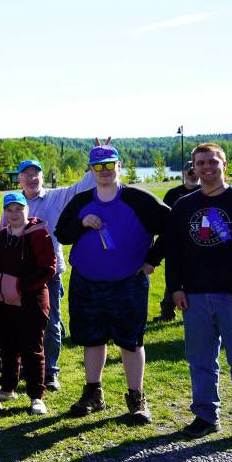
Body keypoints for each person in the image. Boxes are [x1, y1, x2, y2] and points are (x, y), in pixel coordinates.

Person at [167, 143, 232, 443]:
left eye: (213, 161)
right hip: (195, 297)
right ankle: (205, 416)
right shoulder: (184, 206)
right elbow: (174, 251)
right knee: (200, 360)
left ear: (224, 164)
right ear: (193, 167)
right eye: (200, 163)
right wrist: (174, 288)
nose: (206, 167)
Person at [55, 145, 169, 423]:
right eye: (98, 167)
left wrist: (153, 259)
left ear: (119, 165)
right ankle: (93, 393)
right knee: (92, 339)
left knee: (130, 341)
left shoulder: (139, 199)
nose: (104, 172)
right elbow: (62, 233)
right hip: (87, 282)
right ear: (91, 170)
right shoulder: (81, 202)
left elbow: (173, 226)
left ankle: (136, 397)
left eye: (109, 165)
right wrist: (81, 223)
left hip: (128, 282)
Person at [5, 150, 98, 391]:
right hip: (20, 276)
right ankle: (28, 367)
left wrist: (96, 161)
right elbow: (4, 234)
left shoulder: (57, 197)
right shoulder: (14, 202)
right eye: (26, 175)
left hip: (50, 273)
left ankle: (50, 372)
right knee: (24, 323)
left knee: (51, 323)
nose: (31, 178)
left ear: (42, 177)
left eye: (35, 174)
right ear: (19, 179)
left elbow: (81, 187)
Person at [0, 192, 57, 415]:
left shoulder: (38, 234)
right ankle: (8, 387)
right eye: (9, 210)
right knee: (8, 347)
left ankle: (36, 396)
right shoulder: (1, 236)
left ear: (27, 210)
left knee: (32, 349)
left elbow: (48, 268)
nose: (14, 214)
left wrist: (21, 287)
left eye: (19, 209)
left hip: (30, 302)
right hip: (4, 302)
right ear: (5, 213)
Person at [154, 165, 201, 322]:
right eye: (190, 172)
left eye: (196, 172)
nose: (193, 175)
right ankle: (167, 311)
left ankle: (198, 313)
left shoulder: (205, 192)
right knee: (173, 278)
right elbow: (163, 223)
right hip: (176, 245)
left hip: (198, 246)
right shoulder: (173, 194)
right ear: (183, 173)